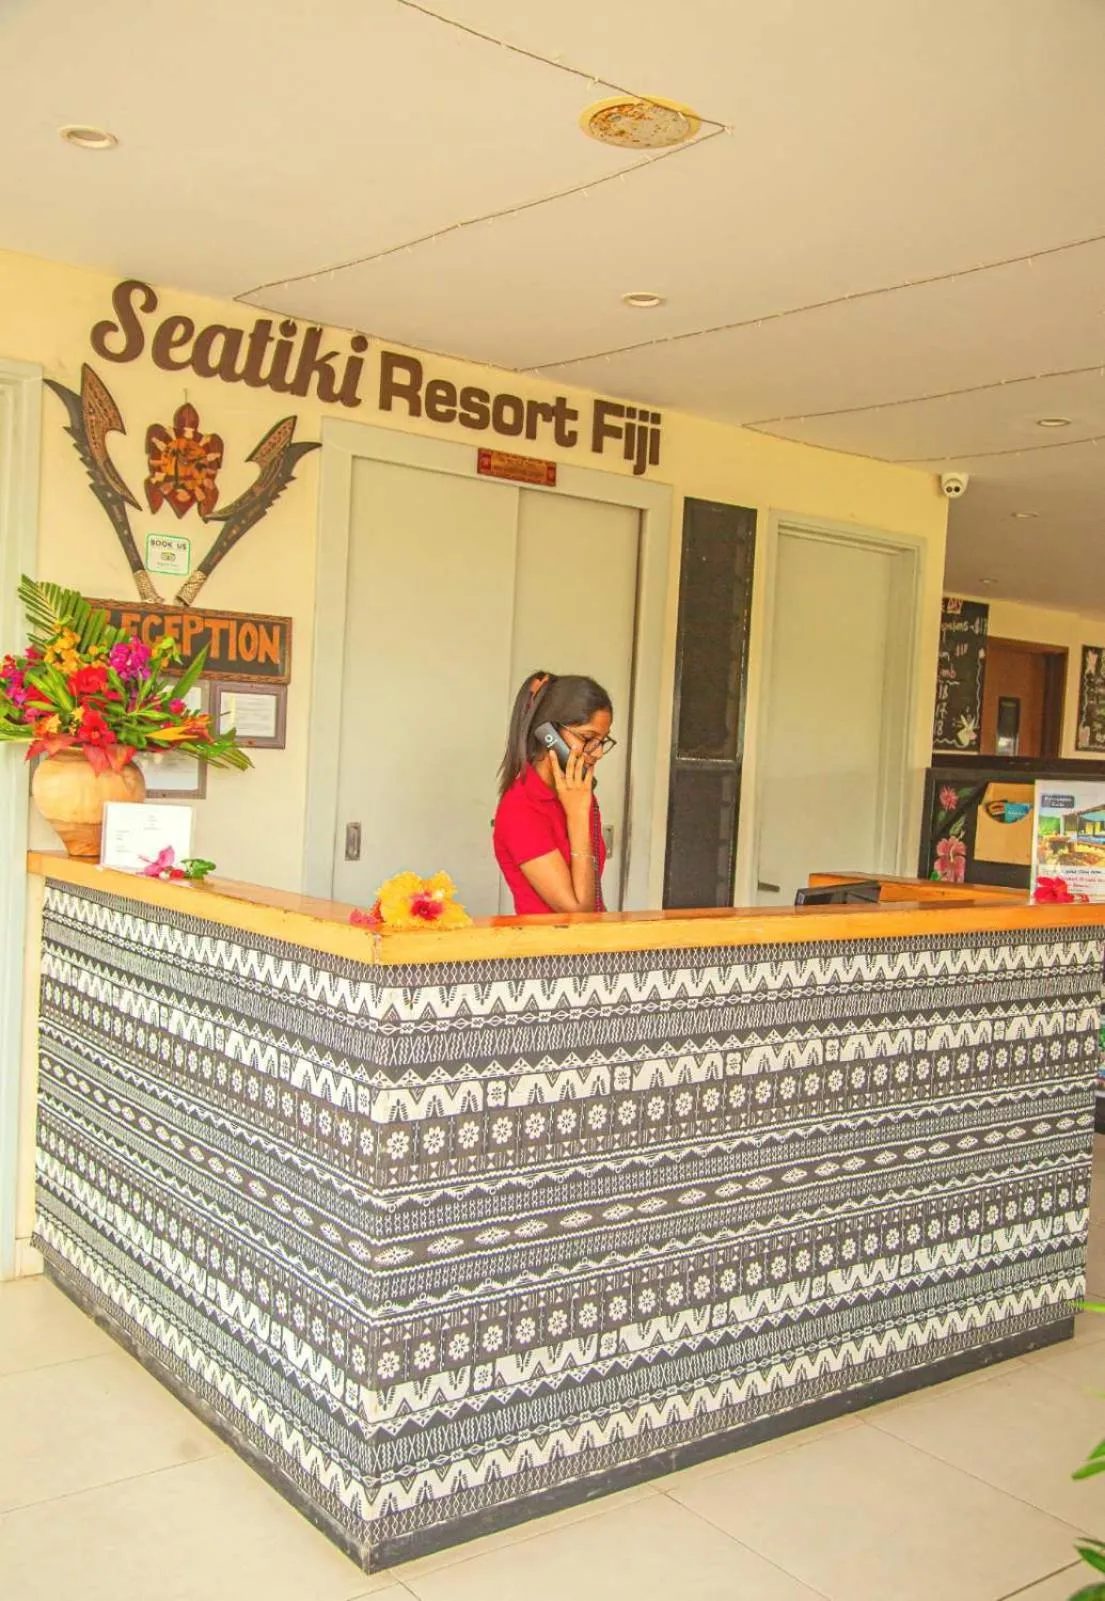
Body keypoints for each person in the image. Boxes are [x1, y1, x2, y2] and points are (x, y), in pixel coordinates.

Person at [493, 671, 616, 915]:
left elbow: (594, 900)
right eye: (588, 738)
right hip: (546, 950)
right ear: (548, 734)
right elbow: (578, 913)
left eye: (602, 741)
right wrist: (578, 815)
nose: (598, 753)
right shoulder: (521, 807)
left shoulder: (577, 795)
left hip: (591, 949)